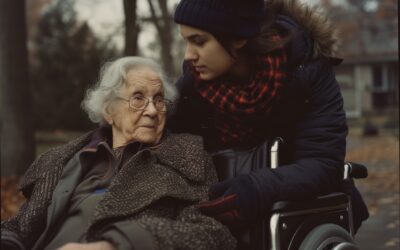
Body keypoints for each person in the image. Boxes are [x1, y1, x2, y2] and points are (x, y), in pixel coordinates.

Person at [170, 0, 368, 241]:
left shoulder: (306, 69)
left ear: (238, 38)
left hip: (299, 209)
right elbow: (162, 140)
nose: (188, 55)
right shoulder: (194, 83)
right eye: (186, 41)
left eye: (199, 41)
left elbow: (323, 162)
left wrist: (256, 187)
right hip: (222, 212)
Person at [1, 57, 236, 250]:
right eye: (138, 98)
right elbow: (19, 227)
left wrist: (116, 245)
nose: (153, 110)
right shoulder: (67, 160)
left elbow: (211, 234)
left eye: (158, 99)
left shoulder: (187, 159)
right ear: (109, 110)